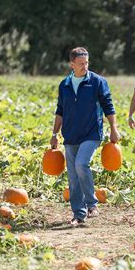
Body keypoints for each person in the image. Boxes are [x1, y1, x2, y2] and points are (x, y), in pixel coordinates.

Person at [50, 47, 120, 226]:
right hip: (70, 135)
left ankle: (92, 204)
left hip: (91, 133)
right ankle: (78, 215)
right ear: (72, 64)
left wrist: (113, 128)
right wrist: (54, 134)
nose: (85, 66)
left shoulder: (97, 82)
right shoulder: (64, 84)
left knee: (81, 164)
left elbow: (108, 107)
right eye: (81, 64)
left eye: (87, 63)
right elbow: (60, 111)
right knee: (73, 177)